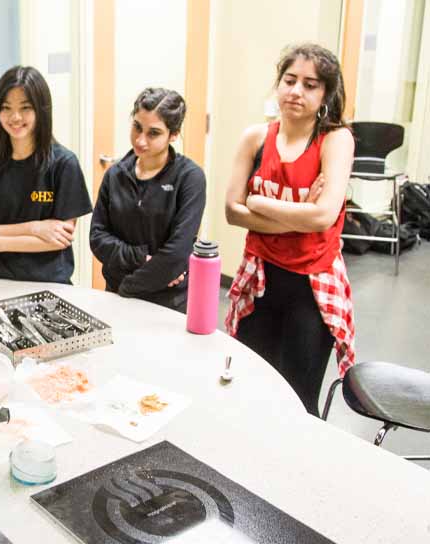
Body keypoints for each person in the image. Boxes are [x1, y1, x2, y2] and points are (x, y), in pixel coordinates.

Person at [224, 43, 356, 416]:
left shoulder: (335, 139)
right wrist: (299, 213)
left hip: (311, 286)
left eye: (310, 85)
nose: (296, 91)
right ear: (278, 85)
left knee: (298, 399)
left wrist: (260, 203)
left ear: (326, 94)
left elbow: (323, 217)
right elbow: (232, 211)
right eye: (290, 80)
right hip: (261, 276)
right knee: (250, 382)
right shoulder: (256, 138)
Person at [0, 66, 91, 284]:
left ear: (40, 110)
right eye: (6, 108)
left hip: (50, 282)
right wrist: (36, 228)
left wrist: (0, 240)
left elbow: (60, 239)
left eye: (25, 108)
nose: (15, 117)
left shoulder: (63, 164)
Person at [89, 88, 206, 311]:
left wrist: (129, 286)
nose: (140, 140)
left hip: (166, 300)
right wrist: (141, 257)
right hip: (116, 294)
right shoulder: (115, 175)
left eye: (153, 133)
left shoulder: (190, 178)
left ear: (173, 135)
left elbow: (177, 253)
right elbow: (97, 238)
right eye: (137, 127)